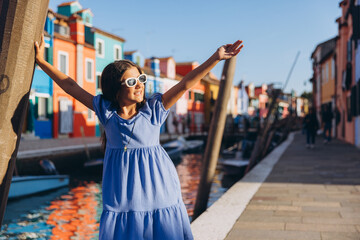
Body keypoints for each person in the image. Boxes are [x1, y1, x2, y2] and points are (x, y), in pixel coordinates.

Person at [35, 35, 243, 240]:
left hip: (158, 187)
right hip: (122, 193)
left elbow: (185, 84)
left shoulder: (154, 108)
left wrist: (216, 58)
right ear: (115, 89)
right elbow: (71, 86)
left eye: (141, 79)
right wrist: (42, 62)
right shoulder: (106, 111)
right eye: (132, 81)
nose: (139, 85)